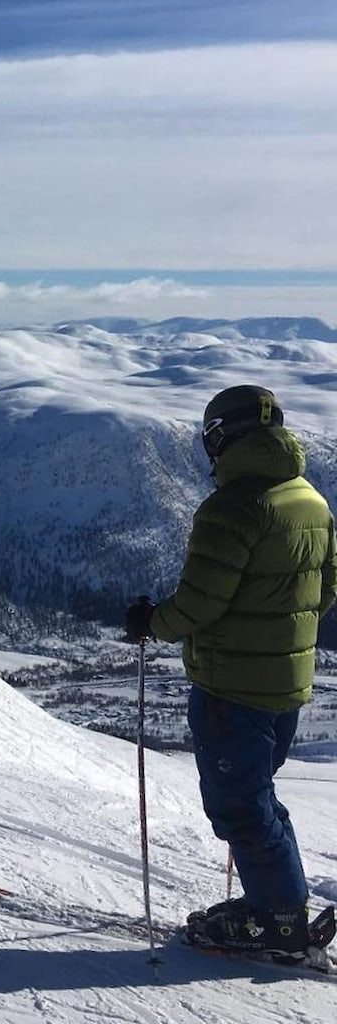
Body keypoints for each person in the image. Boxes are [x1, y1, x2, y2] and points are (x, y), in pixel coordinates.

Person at [126, 385, 337, 957]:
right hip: (285, 687)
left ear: (220, 437)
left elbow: (198, 605)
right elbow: (326, 591)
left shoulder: (233, 507)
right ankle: (279, 904)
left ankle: (278, 922)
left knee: (240, 805)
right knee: (258, 798)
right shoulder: (310, 500)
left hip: (231, 687)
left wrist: (151, 621)